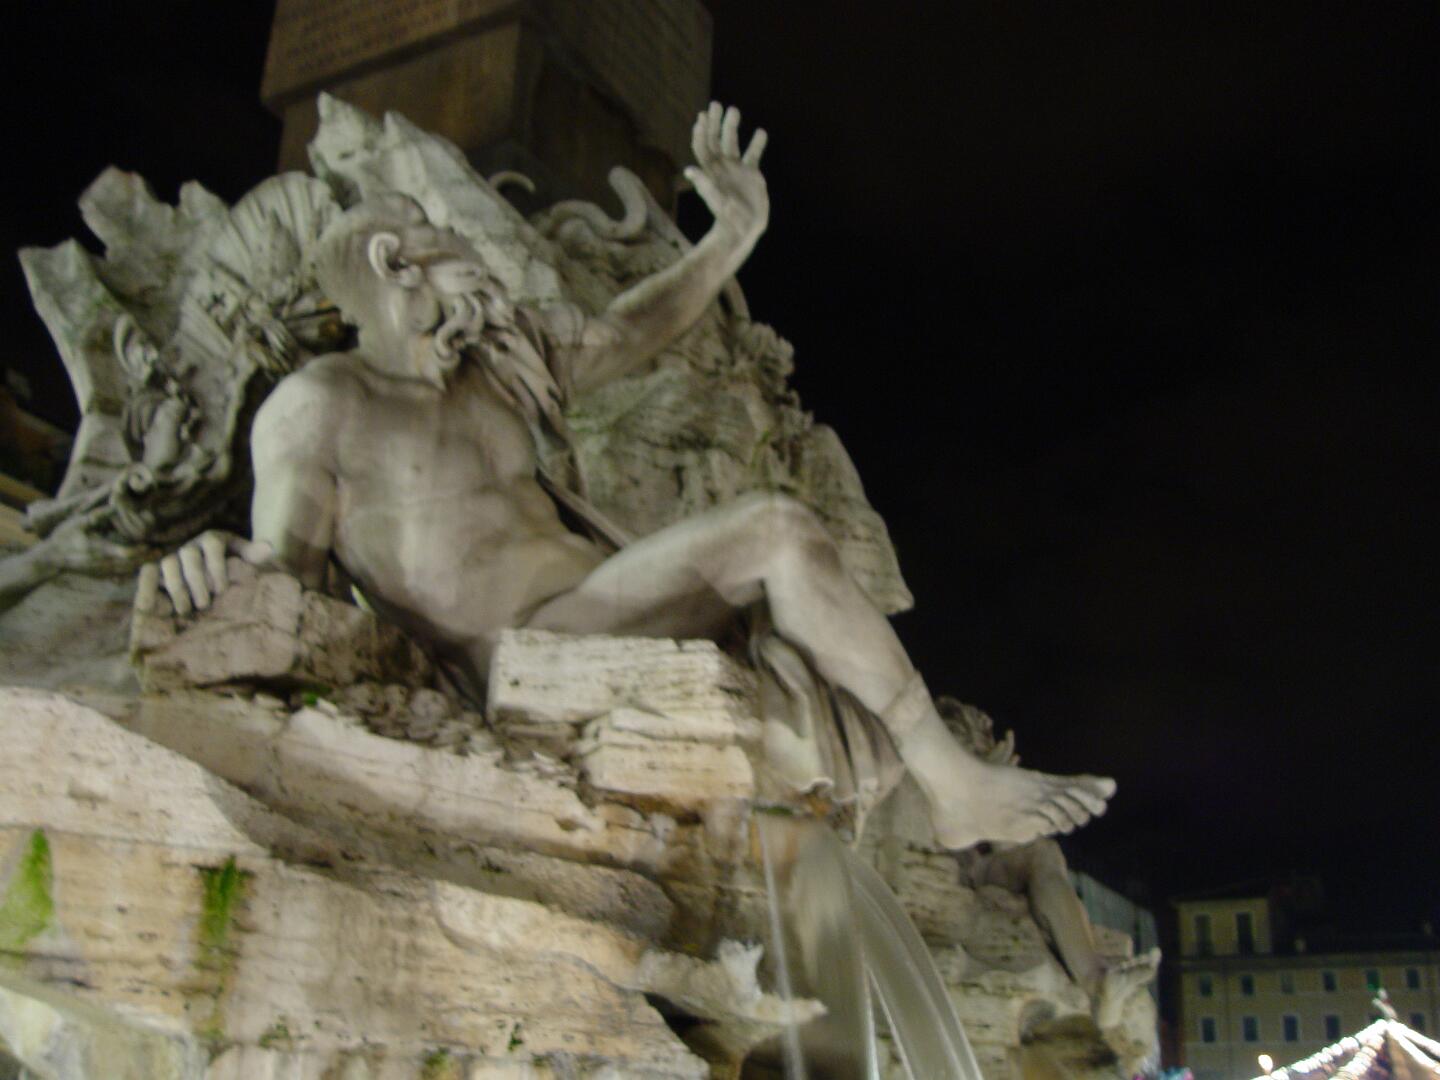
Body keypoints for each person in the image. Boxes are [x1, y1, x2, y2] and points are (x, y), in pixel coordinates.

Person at [144, 103, 1113, 851]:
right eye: (454, 246)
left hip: (599, 605)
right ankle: (950, 784)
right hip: (520, 656)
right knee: (775, 529)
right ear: (398, 264)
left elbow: (628, 331)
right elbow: (286, 569)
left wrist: (732, 236)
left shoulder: (494, 372)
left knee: (787, 558)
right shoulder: (321, 403)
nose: (477, 260)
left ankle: (934, 782)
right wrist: (210, 561)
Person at [939, 700, 1159, 1029]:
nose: (980, 743)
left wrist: (992, 786)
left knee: (1043, 853)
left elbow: (1004, 843)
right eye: (969, 736)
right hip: (947, 869)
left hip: (980, 863)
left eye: (983, 738)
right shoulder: (918, 766)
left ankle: (1097, 980)